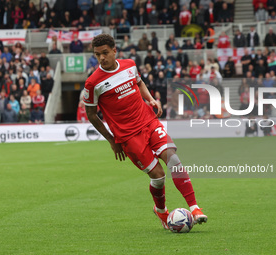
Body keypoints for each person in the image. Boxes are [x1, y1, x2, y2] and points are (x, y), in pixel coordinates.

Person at [82, 34, 208, 230]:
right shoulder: (93, 83)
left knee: (173, 159)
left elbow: (139, 83)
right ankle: (161, 210)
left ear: (115, 51)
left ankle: (195, 207)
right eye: (97, 54)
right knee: (158, 176)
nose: (101, 58)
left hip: (148, 121)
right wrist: (111, 140)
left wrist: (150, 99)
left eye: (105, 53)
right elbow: (91, 114)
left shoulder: (130, 65)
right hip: (128, 136)